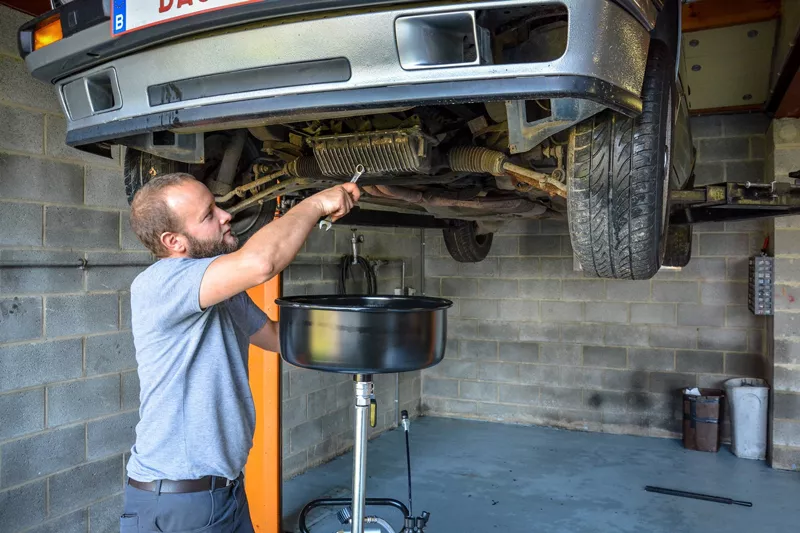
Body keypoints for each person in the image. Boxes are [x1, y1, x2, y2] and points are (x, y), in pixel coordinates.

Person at [120, 173, 361, 533]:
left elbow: (276, 338)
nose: (225, 215)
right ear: (174, 242)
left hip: (224, 492)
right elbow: (261, 263)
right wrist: (316, 204)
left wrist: (362, 342)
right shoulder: (161, 283)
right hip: (178, 503)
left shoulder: (218, 288)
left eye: (216, 204)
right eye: (208, 216)